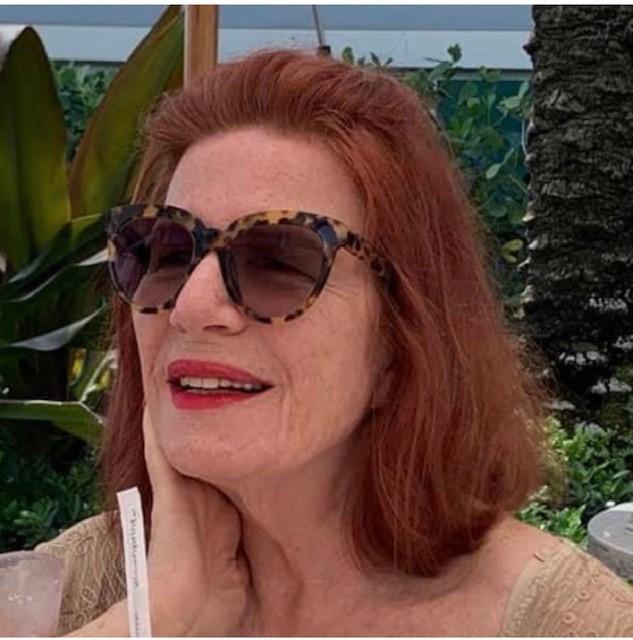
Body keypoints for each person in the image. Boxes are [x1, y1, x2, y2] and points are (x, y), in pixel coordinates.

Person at [35, 48, 633, 637]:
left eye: (278, 260)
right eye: (165, 251)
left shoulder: (563, 624)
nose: (191, 307)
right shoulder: (71, 591)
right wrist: (161, 616)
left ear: (402, 338)